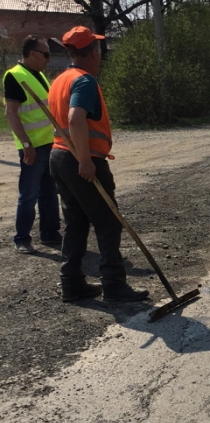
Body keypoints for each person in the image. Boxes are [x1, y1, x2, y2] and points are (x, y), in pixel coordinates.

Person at [48, 26, 149, 304]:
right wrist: (84, 160)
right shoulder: (84, 81)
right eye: (98, 49)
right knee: (108, 223)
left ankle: (72, 283)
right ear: (92, 52)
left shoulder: (60, 79)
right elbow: (75, 118)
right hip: (82, 159)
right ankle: (114, 285)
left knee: (76, 222)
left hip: (58, 157)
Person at [2, 35, 62, 254]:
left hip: (48, 142)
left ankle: (49, 233)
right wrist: (26, 144)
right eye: (46, 54)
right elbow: (11, 113)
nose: (49, 59)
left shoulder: (38, 76)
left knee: (48, 191)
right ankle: (22, 238)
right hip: (32, 147)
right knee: (28, 193)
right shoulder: (15, 77)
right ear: (33, 53)